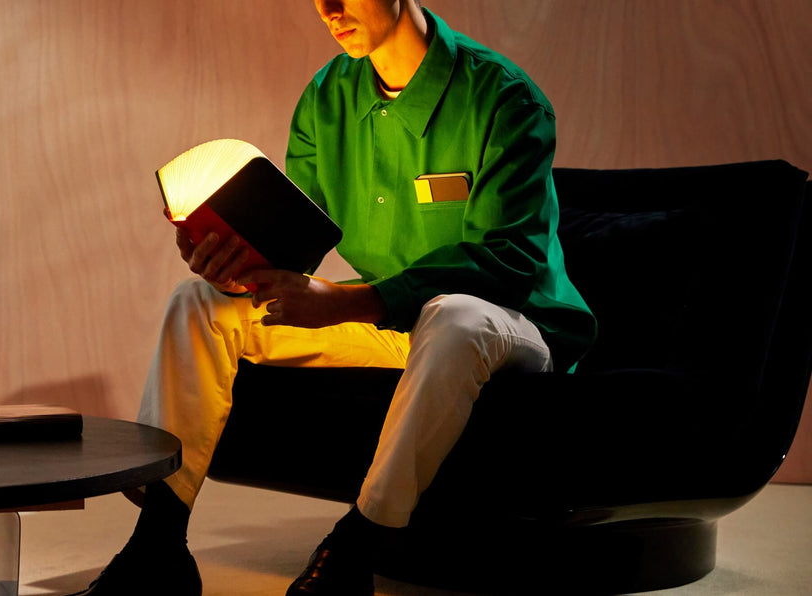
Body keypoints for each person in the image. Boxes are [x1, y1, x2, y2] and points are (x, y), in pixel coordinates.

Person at [72, 1, 596, 594]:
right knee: (198, 302)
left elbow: (507, 265)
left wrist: (350, 303)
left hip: (511, 325)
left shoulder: (505, 98)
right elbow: (295, 251)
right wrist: (230, 266)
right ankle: (158, 545)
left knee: (454, 315)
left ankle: (359, 545)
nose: (328, 9)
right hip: (393, 323)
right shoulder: (326, 96)